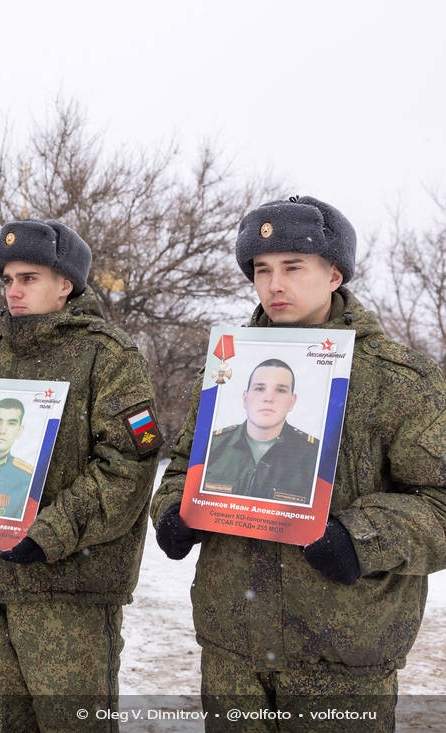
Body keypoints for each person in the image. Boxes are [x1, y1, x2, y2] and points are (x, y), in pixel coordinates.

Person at [152, 195, 446, 729]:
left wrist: (359, 538)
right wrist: (174, 510)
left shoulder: (398, 380)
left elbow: (441, 503)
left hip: (340, 657)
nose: (274, 285)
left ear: (334, 273)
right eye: (261, 270)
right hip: (232, 647)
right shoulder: (231, 367)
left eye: (292, 267)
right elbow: (183, 465)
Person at [0, 218, 161, 730]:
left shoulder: (107, 357)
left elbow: (125, 467)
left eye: (28, 278)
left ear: (65, 284)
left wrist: (48, 532)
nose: (14, 291)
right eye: (7, 280)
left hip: (67, 589)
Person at [203, 358, 319, 504]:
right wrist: (174, 506)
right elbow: (180, 481)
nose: (269, 398)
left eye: (281, 390)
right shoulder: (211, 446)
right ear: (245, 398)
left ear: (292, 402)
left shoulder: (315, 456)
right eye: (259, 388)